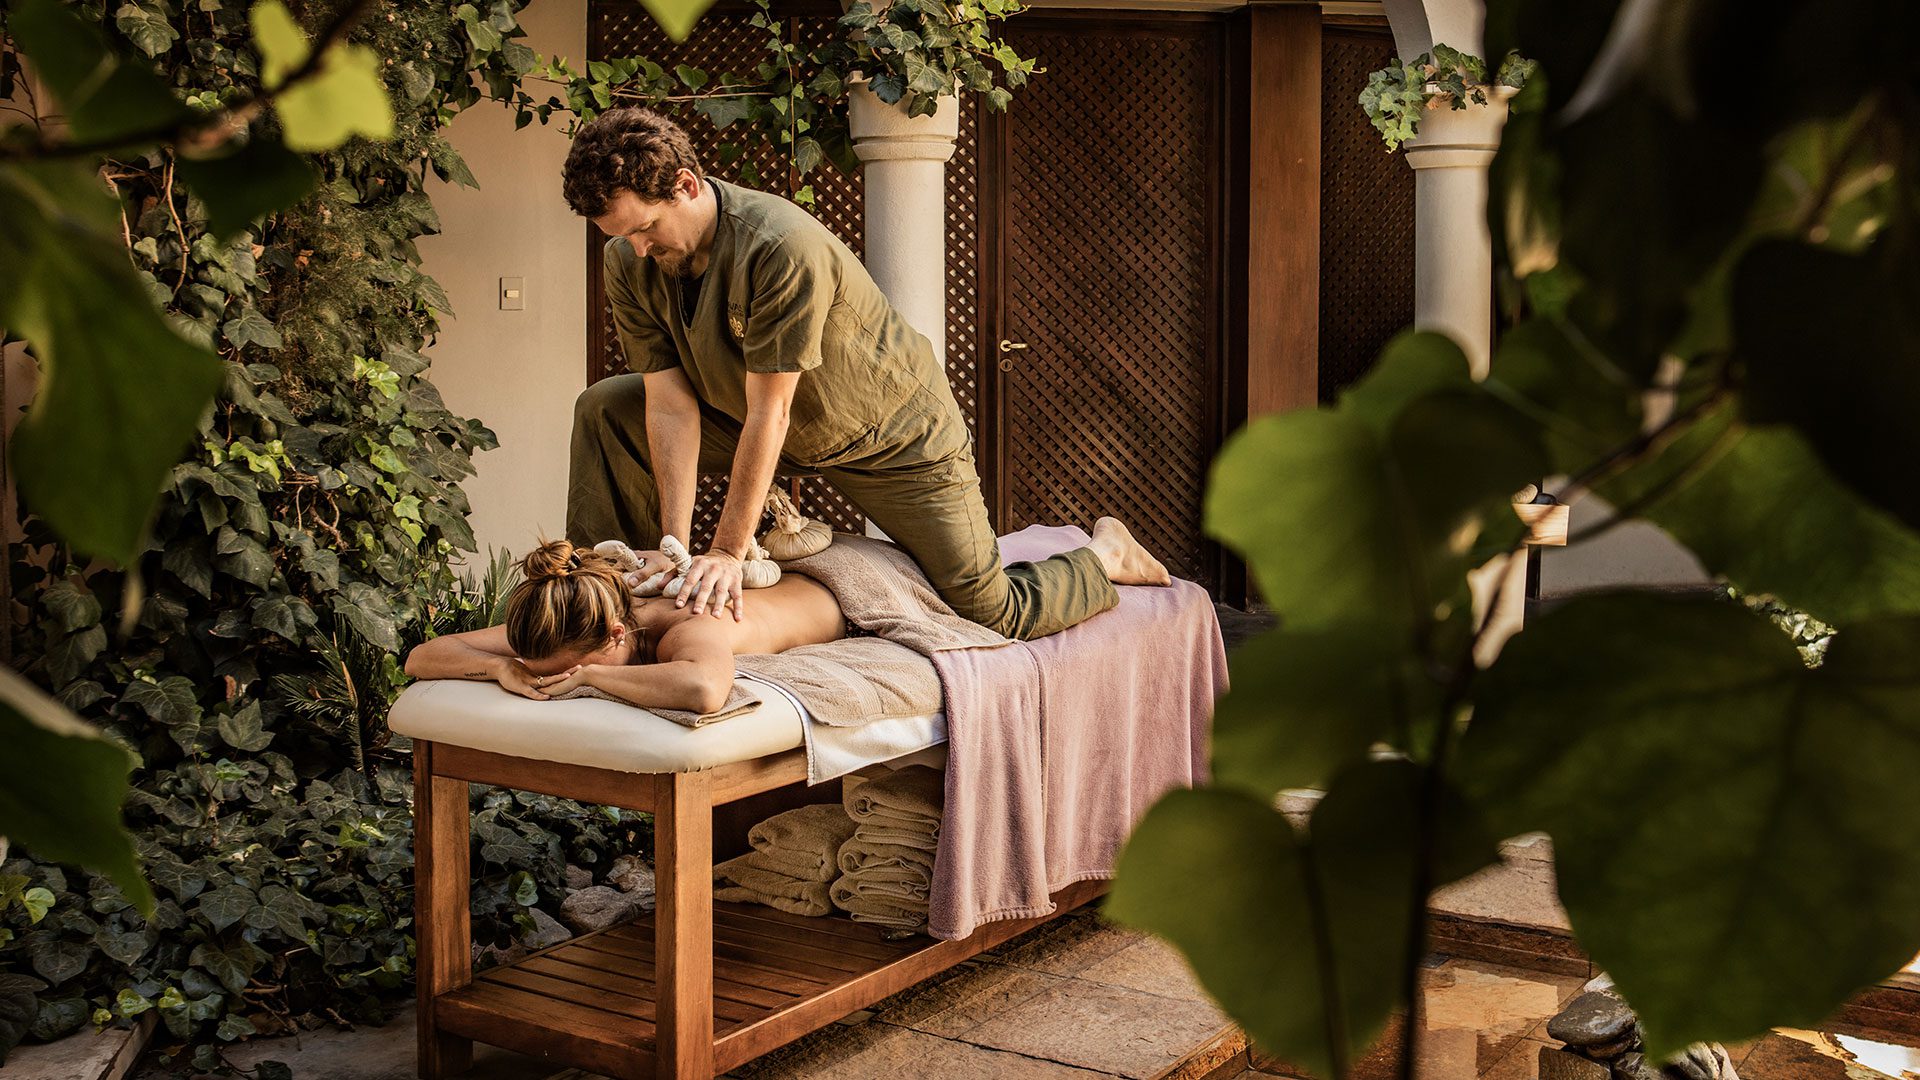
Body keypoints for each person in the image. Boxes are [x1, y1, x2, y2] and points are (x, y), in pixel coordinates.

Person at [560, 107, 1171, 639]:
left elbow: (771, 411)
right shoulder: (629, 259)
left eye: (644, 229)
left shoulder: (778, 247)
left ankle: (1104, 555)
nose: (637, 250)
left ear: (686, 185)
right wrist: (675, 546)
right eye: (620, 236)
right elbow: (670, 406)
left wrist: (723, 550)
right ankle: (606, 604)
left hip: (892, 438)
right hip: (765, 423)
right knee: (607, 410)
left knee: (990, 609)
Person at [402, 540, 845, 711]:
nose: (551, 675)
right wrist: (502, 668)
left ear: (616, 634)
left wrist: (591, 675)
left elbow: (705, 689)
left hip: (830, 585)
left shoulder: (687, 624)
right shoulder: (570, 621)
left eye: (564, 667)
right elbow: (421, 657)